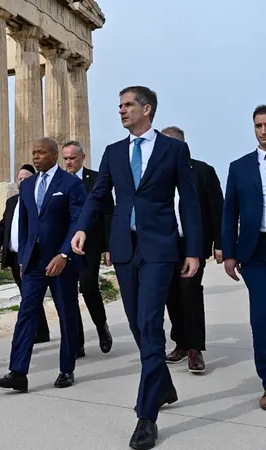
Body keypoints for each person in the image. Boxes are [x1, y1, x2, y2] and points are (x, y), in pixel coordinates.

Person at [71, 86, 202, 450]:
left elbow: (189, 201)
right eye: (120, 106)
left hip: (160, 247)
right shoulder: (114, 152)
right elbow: (99, 195)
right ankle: (163, 384)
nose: (122, 110)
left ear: (147, 109)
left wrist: (194, 249)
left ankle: (146, 417)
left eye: (128, 105)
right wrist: (81, 228)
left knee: (149, 323)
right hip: (124, 247)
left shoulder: (173, 149)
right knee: (135, 324)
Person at [0, 137, 86, 392]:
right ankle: (18, 373)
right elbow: (24, 224)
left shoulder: (71, 184)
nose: (35, 157)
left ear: (54, 155)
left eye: (41, 153)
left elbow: (78, 222)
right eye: (33, 152)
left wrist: (64, 255)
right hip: (33, 261)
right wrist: (22, 258)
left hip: (62, 262)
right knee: (26, 314)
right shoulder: (28, 185)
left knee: (66, 313)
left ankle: (66, 369)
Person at [161, 126, 224, 374]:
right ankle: (181, 343)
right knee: (171, 294)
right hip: (166, 245)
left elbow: (217, 210)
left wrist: (220, 244)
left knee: (190, 292)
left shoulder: (203, 171)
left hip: (193, 244)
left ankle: (195, 349)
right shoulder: (158, 174)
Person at [222, 104, 266, 411]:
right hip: (255, 250)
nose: (263, 131)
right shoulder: (240, 167)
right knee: (262, 318)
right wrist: (229, 253)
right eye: (258, 126)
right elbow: (230, 213)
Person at [62, 140, 114, 357]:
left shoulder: (96, 179)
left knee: (88, 287)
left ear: (83, 157)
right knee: (68, 293)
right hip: (65, 245)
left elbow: (108, 213)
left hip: (90, 244)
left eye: (72, 158)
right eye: (65, 158)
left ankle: (101, 326)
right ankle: (77, 342)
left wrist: (109, 246)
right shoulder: (59, 181)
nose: (68, 162)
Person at [0, 164, 51, 343]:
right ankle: (41, 331)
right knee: (27, 294)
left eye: (26, 178)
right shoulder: (12, 201)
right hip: (15, 256)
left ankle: (30, 334)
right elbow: (3, 225)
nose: (22, 181)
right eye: (19, 178)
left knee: (30, 296)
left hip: (32, 255)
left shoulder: (39, 200)